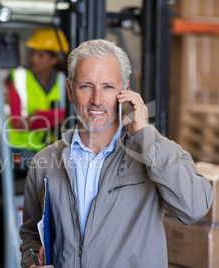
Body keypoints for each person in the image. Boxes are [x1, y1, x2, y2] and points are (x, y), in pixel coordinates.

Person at [19, 39, 215, 268]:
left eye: (108, 87)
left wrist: (145, 135)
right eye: (86, 86)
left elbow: (194, 208)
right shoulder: (44, 162)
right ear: (70, 91)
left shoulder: (151, 152)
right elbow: (32, 234)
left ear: (125, 90)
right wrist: (32, 261)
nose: (97, 100)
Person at [6, 29, 69, 177]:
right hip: (18, 148)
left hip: (49, 147)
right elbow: (19, 123)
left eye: (41, 55)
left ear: (54, 59)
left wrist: (38, 116)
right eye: (33, 53)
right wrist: (58, 116)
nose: (34, 58)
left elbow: (72, 114)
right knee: (49, 167)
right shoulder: (18, 77)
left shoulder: (63, 80)